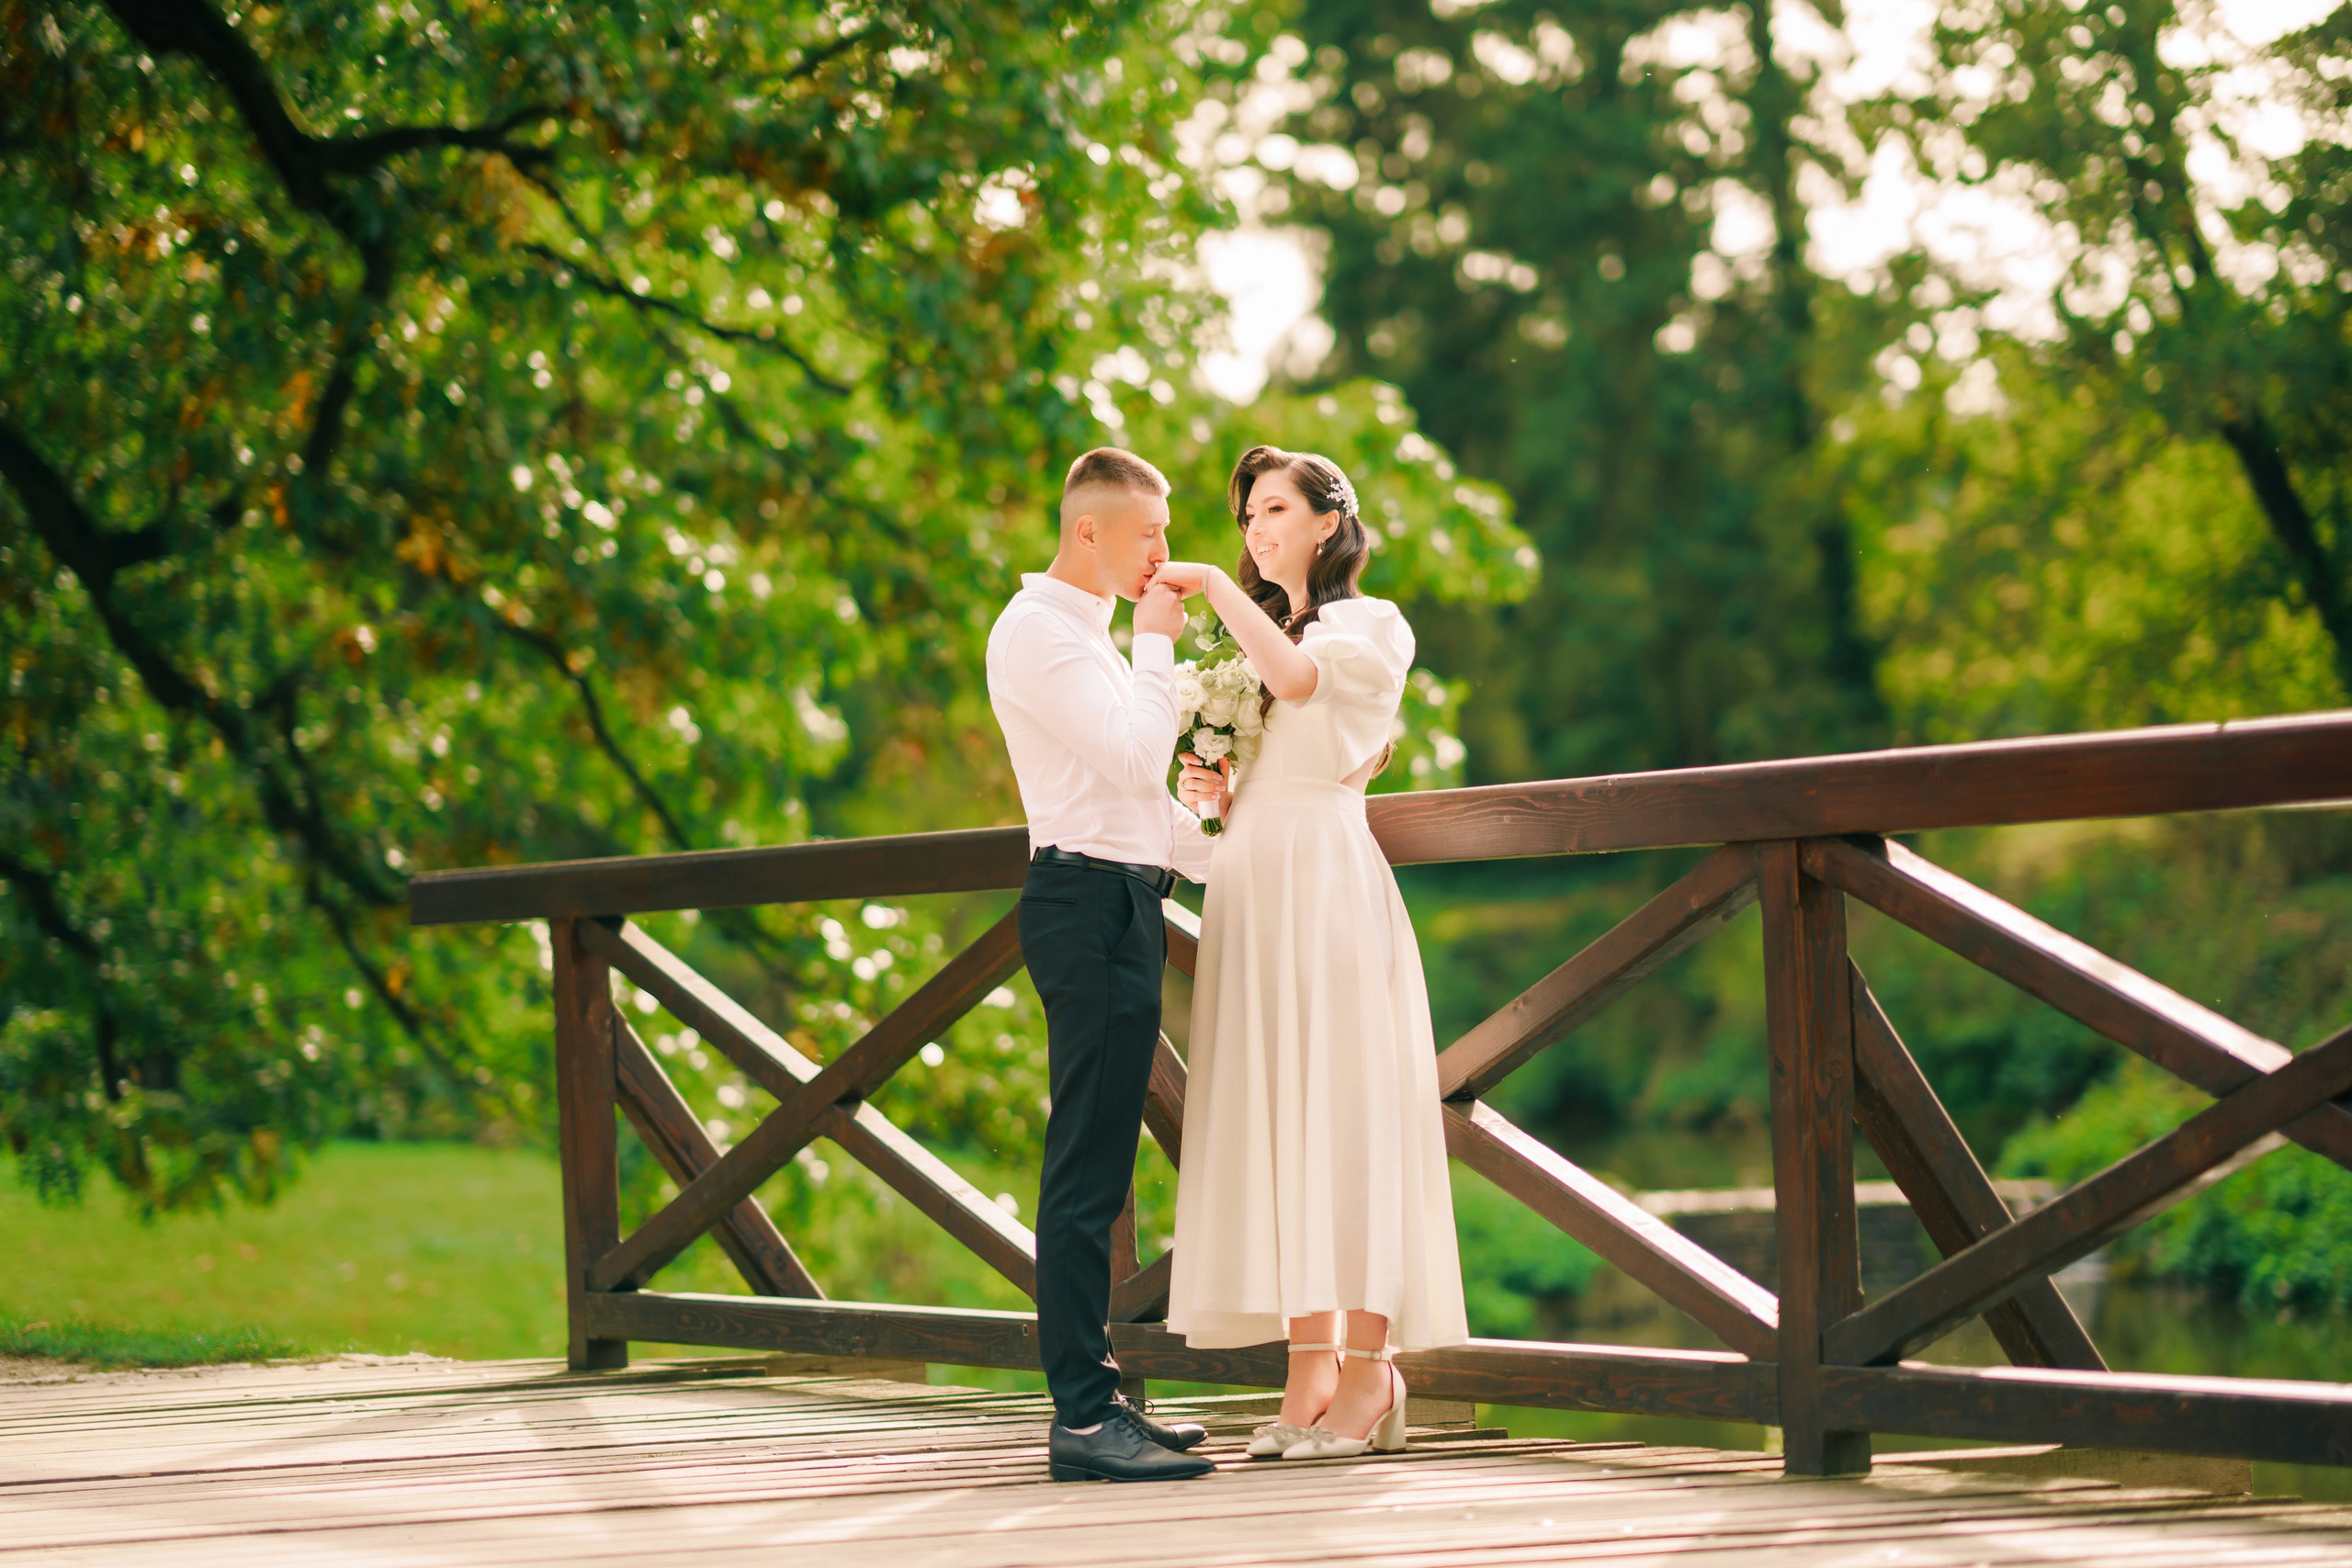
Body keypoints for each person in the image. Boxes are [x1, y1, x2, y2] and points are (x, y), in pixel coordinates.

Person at [1151, 445, 1469, 1462]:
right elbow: (1253, 732)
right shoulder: (1259, 642)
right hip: (1252, 882)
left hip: (1326, 883)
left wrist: (1206, 586)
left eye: (1274, 510)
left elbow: (1295, 681)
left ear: (1327, 521)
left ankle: (1372, 1371)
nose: (1255, 532)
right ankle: (1306, 1366)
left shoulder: (1364, 625)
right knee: (1277, 1117)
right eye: (1245, 518)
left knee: (1343, 1115)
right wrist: (1210, 787)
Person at [984, 446, 1216, 1483]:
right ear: (1089, 531)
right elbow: (1132, 759)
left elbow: (1144, 810)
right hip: (1084, 907)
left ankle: (1103, 1396)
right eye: (1147, 535)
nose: (1163, 556)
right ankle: (1081, 1416)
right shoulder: (1038, 632)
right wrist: (1159, 646)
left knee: (1103, 1169)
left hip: (1121, 899)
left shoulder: (1086, 638)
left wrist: (1263, 855)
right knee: (1083, 1172)